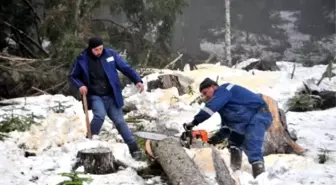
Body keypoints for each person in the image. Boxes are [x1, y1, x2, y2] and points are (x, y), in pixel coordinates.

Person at [69, 37, 144, 161]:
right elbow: (73, 76)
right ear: (90, 49)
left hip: (112, 95)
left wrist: (137, 80)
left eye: (100, 48)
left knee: (120, 122)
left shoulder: (110, 55)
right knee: (99, 115)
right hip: (95, 95)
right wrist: (80, 85)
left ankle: (134, 148)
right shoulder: (82, 59)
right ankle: (89, 143)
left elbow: (125, 68)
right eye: (96, 50)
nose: (99, 51)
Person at [184, 77, 273, 178]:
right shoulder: (224, 104)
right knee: (234, 143)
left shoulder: (224, 90)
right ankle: (235, 172)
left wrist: (194, 122)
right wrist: (213, 140)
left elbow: (210, 108)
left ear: (213, 87)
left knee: (253, 146)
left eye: (205, 92)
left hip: (259, 116)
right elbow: (227, 127)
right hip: (244, 121)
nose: (205, 97)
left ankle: (260, 178)